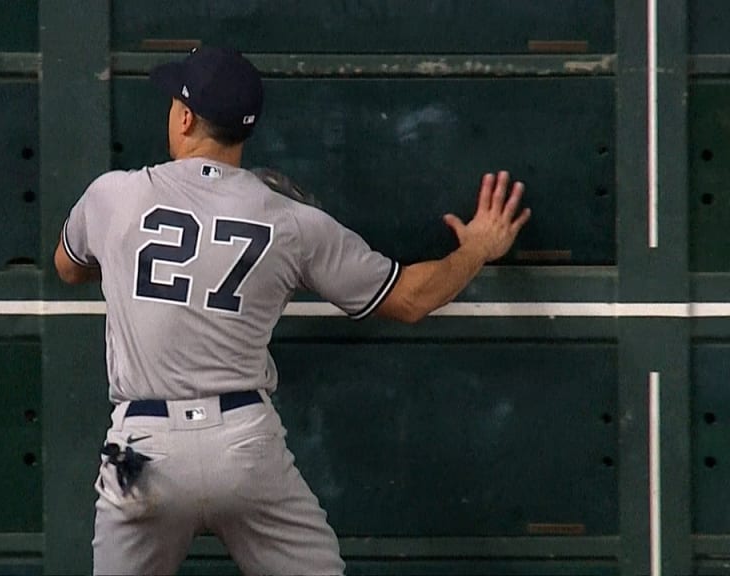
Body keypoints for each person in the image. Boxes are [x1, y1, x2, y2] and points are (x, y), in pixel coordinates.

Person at [54, 46, 530, 576]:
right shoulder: (292, 222)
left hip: (144, 451)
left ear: (185, 117)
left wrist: (129, 262)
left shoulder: (113, 196)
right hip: (243, 441)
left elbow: (69, 267)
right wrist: (477, 249)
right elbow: (411, 299)